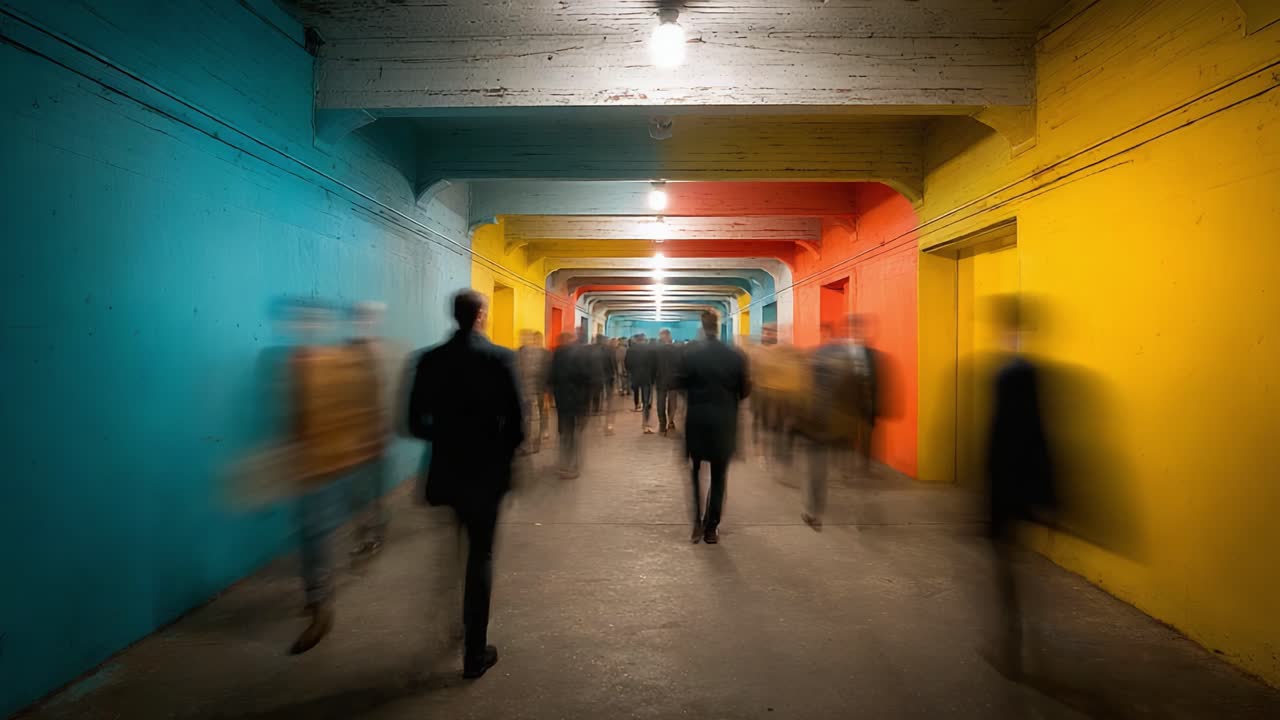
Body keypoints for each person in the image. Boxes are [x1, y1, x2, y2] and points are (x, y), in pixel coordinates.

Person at [407, 290, 524, 679]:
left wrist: (447, 436)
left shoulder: (428, 360)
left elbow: (413, 424)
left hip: (447, 470)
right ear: (481, 316)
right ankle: (475, 653)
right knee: (481, 558)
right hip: (487, 473)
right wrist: (495, 448)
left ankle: (456, 624)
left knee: (456, 543)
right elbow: (518, 426)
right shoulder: (500, 358)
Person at [287, 301, 385, 654]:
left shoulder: (334, 361)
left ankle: (319, 603)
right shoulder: (303, 362)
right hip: (317, 462)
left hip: (333, 460)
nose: (304, 328)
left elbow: (361, 407)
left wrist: (369, 443)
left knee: (315, 531)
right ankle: (317, 599)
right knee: (313, 530)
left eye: (309, 322)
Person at [984, 295, 1057, 678]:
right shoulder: (1037, 371)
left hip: (1009, 482)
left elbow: (1004, 438)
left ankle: (1012, 646)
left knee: (1006, 565)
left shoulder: (1008, 374)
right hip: (1032, 481)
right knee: (1021, 566)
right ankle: (1022, 644)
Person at [678, 312, 750, 544]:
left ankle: (696, 525)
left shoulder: (690, 354)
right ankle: (711, 527)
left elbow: (680, 383)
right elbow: (745, 390)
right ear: (718, 327)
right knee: (719, 476)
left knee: (695, 473)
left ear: (702, 326)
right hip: (724, 422)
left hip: (697, 421)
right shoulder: (735, 355)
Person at [548, 330, 593, 478]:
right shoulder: (581, 354)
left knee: (565, 432)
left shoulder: (556, 354)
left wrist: (552, 396)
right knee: (576, 433)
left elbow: (551, 377)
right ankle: (572, 466)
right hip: (578, 400)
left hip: (562, 400)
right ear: (572, 339)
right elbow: (587, 378)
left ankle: (563, 463)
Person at [516, 329, 551, 453]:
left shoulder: (544, 353)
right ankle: (532, 443)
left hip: (538, 390)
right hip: (526, 391)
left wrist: (547, 391)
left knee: (537, 417)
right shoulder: (519, 352)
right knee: (529, 418)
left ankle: (535, 441)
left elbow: (547, 373)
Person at [654, 329, 683, 436]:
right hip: (674, 380)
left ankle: (662, 424)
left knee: (660, 403)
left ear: (661, 336)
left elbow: (653, 366)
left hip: (660, 379)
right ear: (669, 336)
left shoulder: (656, 350)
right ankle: (670, 421)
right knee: (672, 402)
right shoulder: (677, 350)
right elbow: (681, 365)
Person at [595, 334, 617, 434]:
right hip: (608, 375)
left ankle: (597, 408)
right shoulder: (609, 350)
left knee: (598, 392)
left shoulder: (593, 349)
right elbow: (613, 362)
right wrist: (614, 373)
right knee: (609, 395)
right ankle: (607, 409)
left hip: (597, 375)